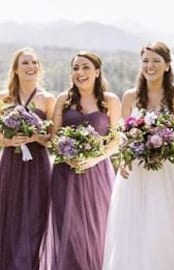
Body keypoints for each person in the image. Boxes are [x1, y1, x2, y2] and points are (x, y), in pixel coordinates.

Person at [102, 41, 174, 270]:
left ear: (167, 65)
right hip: (135, 172)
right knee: (134, 226)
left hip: (167, 172)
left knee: (165, 225)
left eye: (156, 61)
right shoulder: (130, 97)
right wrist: (126, 159)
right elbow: (123, 136)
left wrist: (162, 150)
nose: (150, 66)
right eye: (146, 61)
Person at [49, 51, 121, 270]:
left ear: (97, 72)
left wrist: (92, 159)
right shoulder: (63, 100)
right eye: (76, 68)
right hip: (65, 173)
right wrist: (66, 154)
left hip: (97, 174)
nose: (80, 72)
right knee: (69, 231)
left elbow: (116, 140)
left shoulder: (110, 101)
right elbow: (54, 137)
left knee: (98, 228)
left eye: (86, 67)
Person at [0, 47, 55, 269]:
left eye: (34, 63)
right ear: (15, 69)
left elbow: (52, 138)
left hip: (37, 165)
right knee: (9, 215)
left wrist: (35, 136)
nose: (30, 67)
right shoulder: (4, 99)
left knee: (34, 216)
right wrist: (8, 141)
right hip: (11, 163)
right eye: (25, 63)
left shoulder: (47, 99)